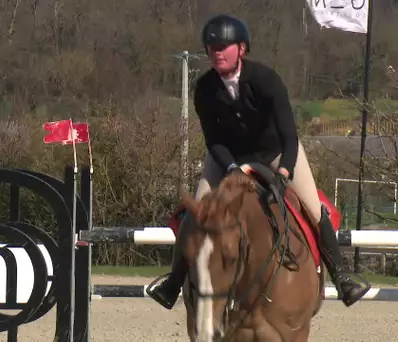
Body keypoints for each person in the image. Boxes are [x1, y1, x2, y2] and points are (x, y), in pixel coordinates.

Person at [147, 14, 371, 310]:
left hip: (277, 152)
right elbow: (213, 140)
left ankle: (342, 277)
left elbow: (290, 137)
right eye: (212, 47)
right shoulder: (204, 89)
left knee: (315, 212)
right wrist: (230, 168)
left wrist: (284, 171)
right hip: (227, 156)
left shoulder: (266, 80)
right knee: (195, 213)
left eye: (224, 46)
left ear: (242, 49)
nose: (217, 51)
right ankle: (173, 283)